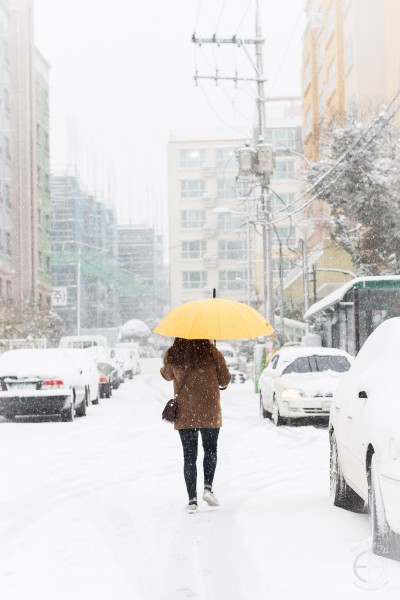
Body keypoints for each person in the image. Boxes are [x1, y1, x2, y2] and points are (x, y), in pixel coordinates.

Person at [160, 337, 231, 513]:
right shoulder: (212, 352)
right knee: (210, 450)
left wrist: (166, 366)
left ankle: (192, 500)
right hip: (210, 411)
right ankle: (208, 488)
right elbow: (224, 380)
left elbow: (167, 375)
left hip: (185, 413)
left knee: (189, 457)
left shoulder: (174, 352)